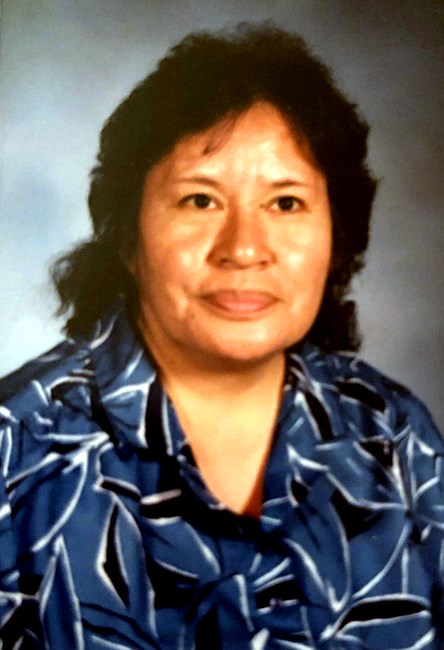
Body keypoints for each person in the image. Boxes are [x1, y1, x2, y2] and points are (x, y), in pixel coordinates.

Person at [0, 23, 443, 649]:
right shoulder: (16, 448)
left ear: (337, 235)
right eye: (200, 201)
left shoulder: (392, 434)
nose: (243, 248)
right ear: (126, 235)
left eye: (285, 203)